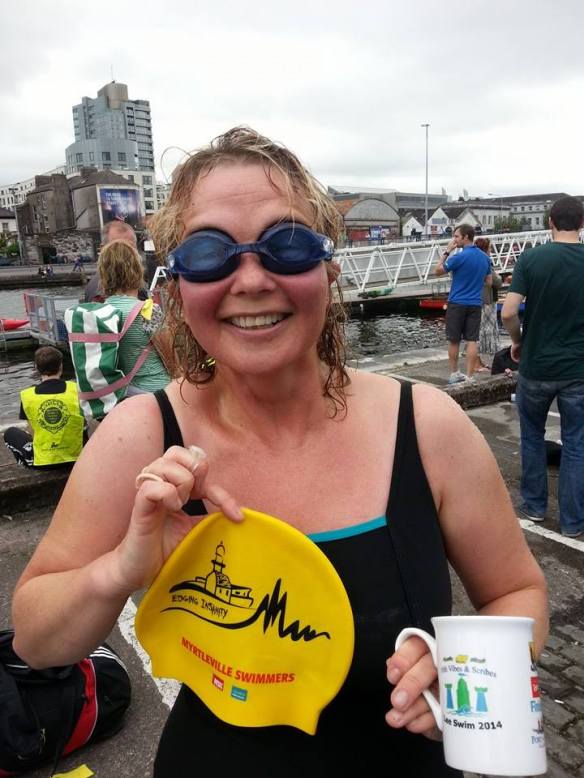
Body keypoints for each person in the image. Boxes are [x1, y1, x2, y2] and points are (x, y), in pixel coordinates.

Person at [12, 128, 547, 776]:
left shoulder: (426, 426)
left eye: (287, 244)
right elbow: (38, 642)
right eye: (209, 253)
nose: (251, 279)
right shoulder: (139, 436)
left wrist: (466, 675)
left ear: (327, 269)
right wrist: (120, 568)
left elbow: (517, 591)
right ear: (176, 288)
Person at [501, 195, 584, 537]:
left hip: (536, 366)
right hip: (578, 370)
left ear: (550, 221)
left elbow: (508, 312)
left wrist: (518, 341)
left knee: (532, 436)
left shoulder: (531, 258)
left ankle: (534, 507)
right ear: (582, 223)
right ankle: (573, 522)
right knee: (576, 443)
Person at [97, 239, 170, 395]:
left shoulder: (99, 312)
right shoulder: (148, 311)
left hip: (121, 393)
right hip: (155, 391)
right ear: (137, 270)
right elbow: (171, 357)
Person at [3, 346, 85, 468]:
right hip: (77, 457)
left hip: (43, 462)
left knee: (10, 433)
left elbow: (33, 432)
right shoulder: (76, 389)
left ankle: (26, 463)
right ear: (61, 366)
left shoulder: (27, 396)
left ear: (36, 368)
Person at [435, 224, 491, 384]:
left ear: (466, 237)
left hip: (457, 302)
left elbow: (437, 271)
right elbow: (488, 282)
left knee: (454, 340)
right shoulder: (485, 258)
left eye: (456, 236)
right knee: (472, 340)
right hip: (475, 303)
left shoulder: (459, 257)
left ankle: (454, 373)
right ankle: (470, 376)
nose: (454, 240)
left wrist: (447, 251)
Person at [84, 221, 149, 303]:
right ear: (103, 249)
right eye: (118, 248)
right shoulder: (98, 292)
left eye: (130, 247)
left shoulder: (135, 283)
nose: (126, 253)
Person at [473, 237, 501, 373]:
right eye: (489, 248)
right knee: (481, 331)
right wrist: (499, 277)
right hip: (486, 300)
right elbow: (496, 281)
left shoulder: (474, 260)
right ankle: (476, 364)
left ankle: (478, 362)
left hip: (476, 299)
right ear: (485, 249)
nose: (491, 250)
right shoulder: (486, 261)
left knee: (476, 331)